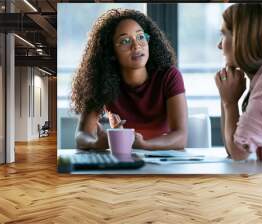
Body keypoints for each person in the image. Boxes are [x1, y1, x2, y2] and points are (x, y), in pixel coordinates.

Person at [71, 9, 188, 150]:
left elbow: (181, 137)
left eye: (140, 37)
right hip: (124, 161)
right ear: (111, 52)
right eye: (125, 41)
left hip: (165, 161)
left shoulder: (169, 76)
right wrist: (95, 143)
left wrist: (145, 145)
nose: (136, 45)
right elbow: (81, 135)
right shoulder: (101, 80)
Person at [215, 4, 262, 162]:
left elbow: (238, 152)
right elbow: (231, 148)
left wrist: (230, 102)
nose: (219, 45)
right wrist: (226, 96)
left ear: (243, 39)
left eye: (224, 35)